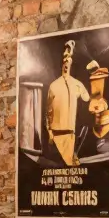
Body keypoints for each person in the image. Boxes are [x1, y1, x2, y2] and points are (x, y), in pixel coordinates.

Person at [46, 39, 90, 167]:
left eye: (69, 60)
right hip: (56, 134)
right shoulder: (53, 86)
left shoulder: (77, 84)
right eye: (64, 60)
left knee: (71, 167)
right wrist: (49, 132)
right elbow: (48, 111)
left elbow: (87, 99)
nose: (66, 62)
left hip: (70, 134)